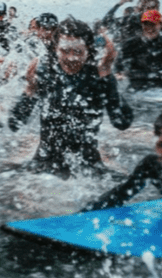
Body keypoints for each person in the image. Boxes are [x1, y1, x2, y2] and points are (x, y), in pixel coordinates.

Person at [8, 18, 133, 177]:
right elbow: (14, 124)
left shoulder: (98, 75)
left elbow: (122, 123)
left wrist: (108, 77)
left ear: (88, 50)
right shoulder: (47, 73)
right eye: (65, 51)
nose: (71, 58)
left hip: (88, 166)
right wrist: (30, 90)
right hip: (45, 164)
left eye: (78, 51)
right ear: (55, 48)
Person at [116, 9, 162, 90]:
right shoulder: (130, 44)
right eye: (146, 24)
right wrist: (120, 74)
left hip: (160, 85)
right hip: (136, 86)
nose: (149, 28)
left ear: (160, 25)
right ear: (142, 25)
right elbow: (118, 67)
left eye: (152, 24)